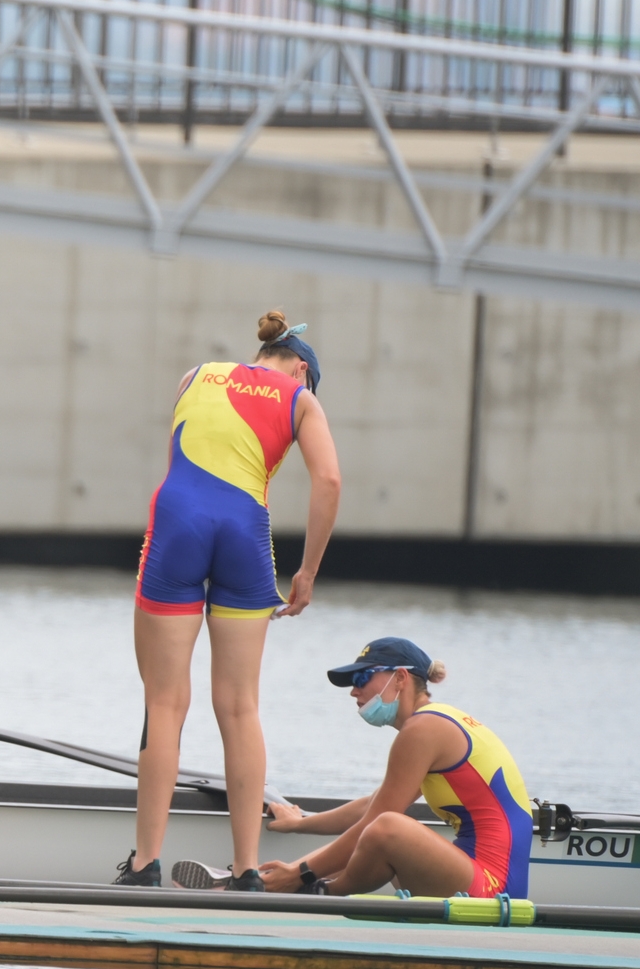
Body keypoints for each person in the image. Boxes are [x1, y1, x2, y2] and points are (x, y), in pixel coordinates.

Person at [117, 310, 342, 892]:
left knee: (164, 703)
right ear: (301, 369)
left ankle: (145, 865)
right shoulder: (300, 401)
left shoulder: (194, 375)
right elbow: (329, 481)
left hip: (177, 527)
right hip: (246, 537)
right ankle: (246, 871)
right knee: (240, 708)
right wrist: (308, 571)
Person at [215, 638, 534, 899]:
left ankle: (319, 892)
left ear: (401, 678)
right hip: (474, 873)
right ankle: (296, 885)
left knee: (388, 829)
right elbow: (371, 805)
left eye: (362, 678)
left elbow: (376, 821)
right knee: (381, 827)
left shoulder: (423, 730)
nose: (354, 691)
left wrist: (300, 872)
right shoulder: (439, 720)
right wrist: (300, 823)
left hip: (493, 888)